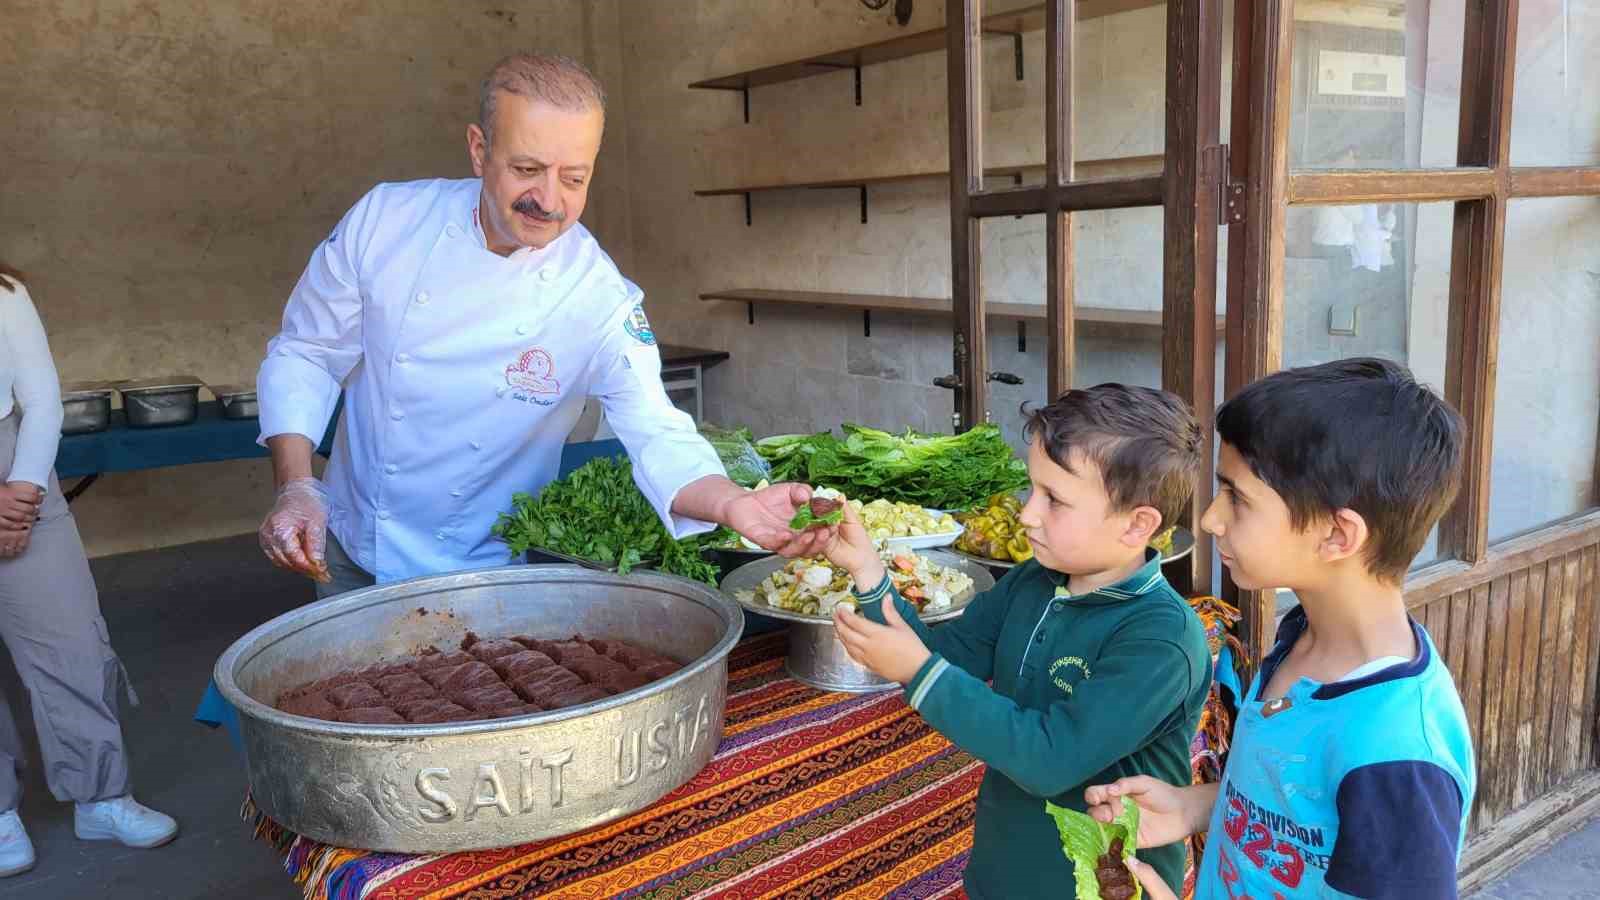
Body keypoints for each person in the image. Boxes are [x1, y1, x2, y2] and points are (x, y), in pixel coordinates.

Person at [255, 54, 828, 594]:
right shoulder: (385, 222)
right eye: (527, 169)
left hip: (495, 568)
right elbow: (307, 351)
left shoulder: (596, 293)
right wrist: (297, 486)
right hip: (355, 546)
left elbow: (656, 427)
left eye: (574, 179)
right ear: (479, 150)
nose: (548, 200)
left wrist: (731, 502)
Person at [1086, 357, 1474, 900]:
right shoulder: (1303, 638)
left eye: (1237, 498)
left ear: (1337, 535)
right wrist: (1191, 807)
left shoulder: (1397, 754)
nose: (1210, 518)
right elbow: (1298, 810)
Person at [822, 384, 1213, 899]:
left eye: (1055, 500)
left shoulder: (1161, 639)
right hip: (1003, 872)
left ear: (1137, 524)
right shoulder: (1032, 582)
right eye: (1033, 489)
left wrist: (918, 672)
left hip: (1097, 887)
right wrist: (869, 573)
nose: (1027, 513)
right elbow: (945, 658)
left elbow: (1049, 758)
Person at [0, 262, 178, 874]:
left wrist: (24, 489)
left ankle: (101, 797)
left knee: (70, 642)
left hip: (16, 464)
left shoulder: (5, 291)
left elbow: (42, 401)